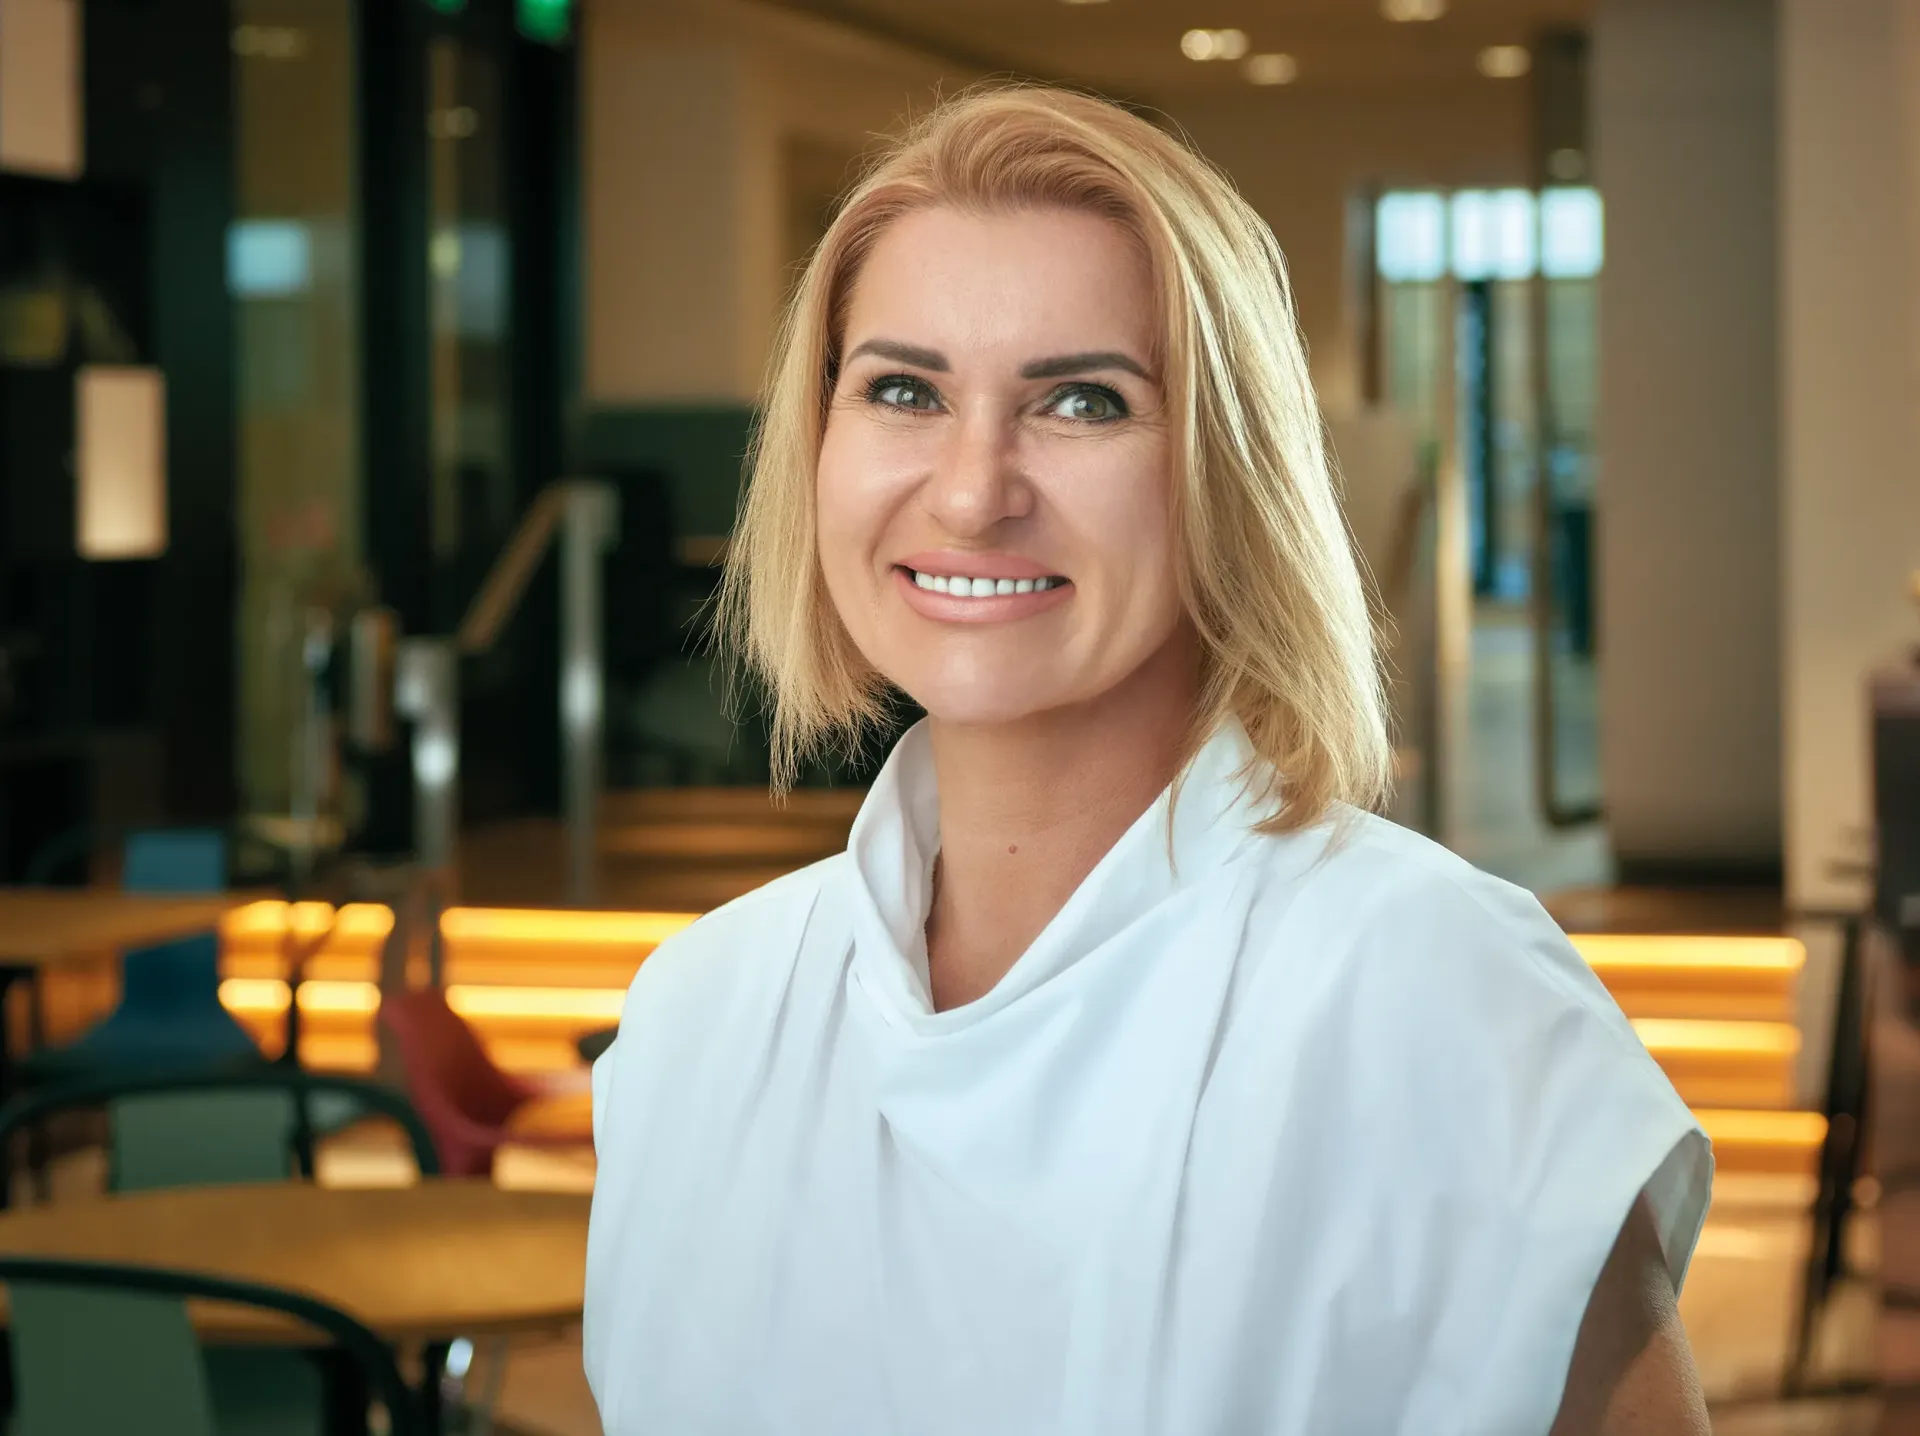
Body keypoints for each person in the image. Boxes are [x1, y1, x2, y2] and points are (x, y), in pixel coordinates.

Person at [585, 84, 1711, 1435]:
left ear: (1225, 475)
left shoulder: (1436, 996)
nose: (971, 488)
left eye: (1080, 401)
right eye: (902, 389)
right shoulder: (702, 1018)